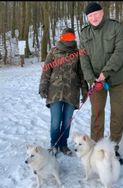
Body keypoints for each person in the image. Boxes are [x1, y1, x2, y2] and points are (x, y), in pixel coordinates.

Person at [80, 2, 123, 164]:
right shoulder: (84, 33)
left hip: (116, 79)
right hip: (95, 82)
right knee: (97, 115)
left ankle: (112, 149)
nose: (93, 18)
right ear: (87, 18)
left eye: (96, 14)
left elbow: (120, 51)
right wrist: (90, 77)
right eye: (90, 16)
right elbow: (83, 57)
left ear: (102, 12)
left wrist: (105, 73)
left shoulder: (116, 28)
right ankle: (97, 148)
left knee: (117, 113)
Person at [39, 27, 88, 156]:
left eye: (70, 37)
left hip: (72, 93)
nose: (68, 39)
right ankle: (54, 144)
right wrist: (43, 87)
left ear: (74, 38)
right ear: (61, 37)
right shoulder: (54, 52)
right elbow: (46, 70)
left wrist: (85, 91)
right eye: (66, 37)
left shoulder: (78, 53)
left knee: (66, 121)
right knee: (56, 122)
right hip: (54, 92)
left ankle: (63, 144)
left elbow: (82, 73)